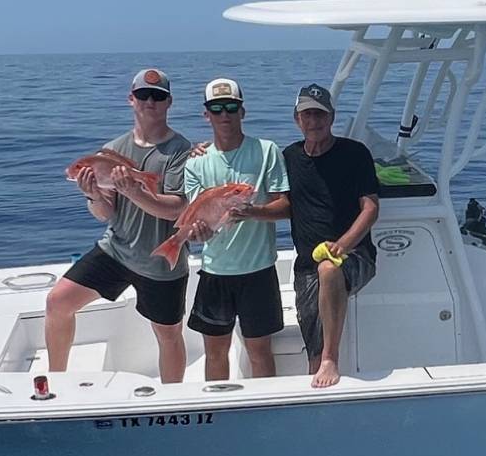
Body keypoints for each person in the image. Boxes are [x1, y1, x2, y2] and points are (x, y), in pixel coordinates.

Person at [45, 68, 193, 384]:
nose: (150, 101)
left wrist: (135, 191)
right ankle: (56, 381)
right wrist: (92, 194)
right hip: (116, 250)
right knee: (57, 302)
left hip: (161, 261)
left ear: (169, 103)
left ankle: (171, 398)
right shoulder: (111, 150)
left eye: (158, 96)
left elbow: (176, 209)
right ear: (131, 100)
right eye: (143, 95)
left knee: (168, 333)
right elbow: (105, 214)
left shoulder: (180, 151)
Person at [182, 77, 289, 381]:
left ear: (243, 111)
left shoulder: (267, 151)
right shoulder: (195, 163)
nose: (224, 114)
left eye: (231, 107)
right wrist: (197, 233)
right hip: (215, 272)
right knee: (215, 353)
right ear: (206, 115)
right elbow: (197, 217)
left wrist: (254, 212)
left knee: (260, 352)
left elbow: (286, 207)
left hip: (259, 272)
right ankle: (216, 411)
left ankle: (268, 412)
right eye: (217, 109)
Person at [280, 83, 379, 388]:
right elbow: (283, 205)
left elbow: (371, 208)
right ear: (297, 119)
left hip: (355, 255)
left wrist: (343, 245)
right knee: (312, 346)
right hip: (306, 263)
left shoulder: (355, 153)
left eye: (320, 114)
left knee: (329, 268)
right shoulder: (290, 157)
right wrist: (250, 213)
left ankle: (331, 359)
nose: (314, 121)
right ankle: (319, 369)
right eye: (307, 114)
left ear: (332, 117)